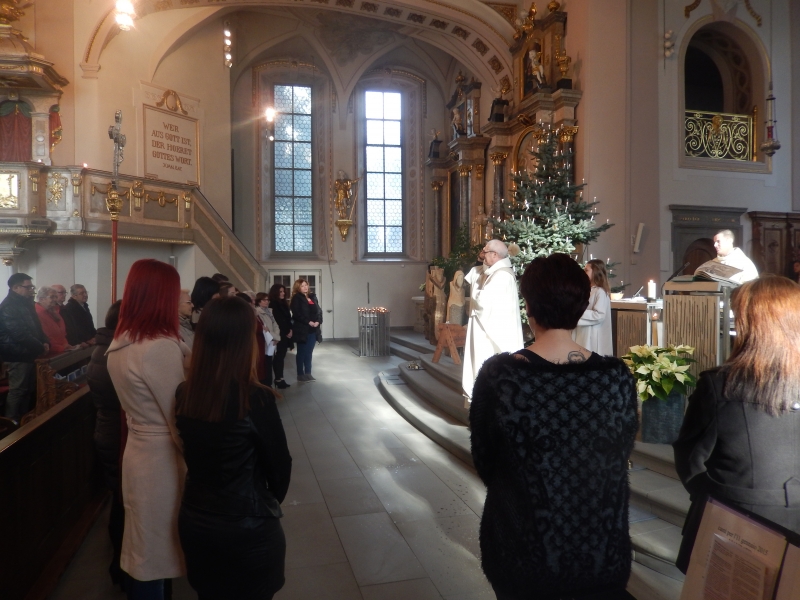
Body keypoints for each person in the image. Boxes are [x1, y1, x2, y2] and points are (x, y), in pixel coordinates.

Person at [470, 253, 638, 600]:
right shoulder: (616, 378)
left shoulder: (501, 377)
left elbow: (486, 461)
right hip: (600, 553)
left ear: (528, 306)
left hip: (523, 553)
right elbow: (620, 452)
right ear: (582, 306)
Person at [673, 276, 800, 560]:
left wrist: (715, 500)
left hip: (738, 524)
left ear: (749, 325)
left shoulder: (719, 385)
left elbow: (691, 459)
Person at [175, 296, 292, 600]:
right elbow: (280, 468)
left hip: (196, 519)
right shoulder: (255, 398)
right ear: (244, 342)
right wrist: (261, 502)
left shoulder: (185, 392)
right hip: (248, 527)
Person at [106, 259, 191, 599]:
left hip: (139, 452)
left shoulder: (123, 341)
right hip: (160, 461)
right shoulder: (158, 347)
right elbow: (178, 418)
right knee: (153, 556)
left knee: (144, 544)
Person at [87, 300, 125, 589]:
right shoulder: (113, 353)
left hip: (109, 430)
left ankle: (121, 565)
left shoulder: (106, 347)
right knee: (123, 504)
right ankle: (121, 567)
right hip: (116, 432)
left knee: (121, 501)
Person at [462, 239, 523, 399]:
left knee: (487, 368)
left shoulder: (502, 276)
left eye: (486, 251)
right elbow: (476, 273)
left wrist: (475, 291)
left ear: (495, 255)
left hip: (491, 334)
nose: (483, 253)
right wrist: (480, 259)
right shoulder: (494, 271)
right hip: (485, 329)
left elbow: (482, 303)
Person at [0, 273, 49, 422]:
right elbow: (19, 334)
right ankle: (12, 423)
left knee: (28, 389)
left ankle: (24, 420)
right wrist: (40, 346)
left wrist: (45, 341)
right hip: (16, 354)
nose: (31, 290)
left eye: (32, 287)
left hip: (29, 352)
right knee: (18, 390)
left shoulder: (26, 303)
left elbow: (36, 327)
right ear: (15, 287)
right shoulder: (8, 306)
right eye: (28, 287)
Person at [573, 258, 613, 355]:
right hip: (582, 332)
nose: (583, 272)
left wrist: (578, 311)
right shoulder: (587, 290)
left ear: (595, 272)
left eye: (586, 270)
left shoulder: (600, 292)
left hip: (592, 335)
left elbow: (599, 315)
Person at [290, 279, 320, 382]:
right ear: (298, 287)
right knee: (301, 352)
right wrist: (308, 322)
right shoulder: (296, 298)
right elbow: (296, 314)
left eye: (306, 285)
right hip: (302, 329)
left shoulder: (312, 297)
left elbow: (318, 311)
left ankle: (308, 373)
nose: (305, 287)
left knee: (309, 352)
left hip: (313, 329)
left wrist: (318, 321)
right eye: (302, 286)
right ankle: (300, 374)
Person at [35, 286, 77, 357]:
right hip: (50, 353)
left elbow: (62, 333)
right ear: (42, 299)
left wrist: (65, 344)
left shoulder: (54, 311)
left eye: (55, 297)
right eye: (52, 297)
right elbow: (46, 336)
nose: (55, 299)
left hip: (61, 351)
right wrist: (61, 348)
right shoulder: (37, 314)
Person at [268, 284, 292, 389]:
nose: (283, 293)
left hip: (285, 332)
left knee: (281, 355)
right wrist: (287, 331)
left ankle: (280, 378)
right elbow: (278, 320)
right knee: (279, 356)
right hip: (279, 333)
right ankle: (278, 378)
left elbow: (287, 318)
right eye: (280, 291)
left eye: (283, 291)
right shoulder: (273, 304)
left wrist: (290, 329)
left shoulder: (283, 303)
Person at [256, 292, 281, 387]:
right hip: (266, 341)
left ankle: (269, 385)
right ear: (259, 301)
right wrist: (275, 337)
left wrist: (277, 337)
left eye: (267, 300)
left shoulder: (269, 311)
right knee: (265, 364)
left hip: (272, 340)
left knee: (269, 362)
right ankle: (266, 385)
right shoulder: (258, 312)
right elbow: (265, 329)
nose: (266, 301)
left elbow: (275, 325)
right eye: (264, 300)